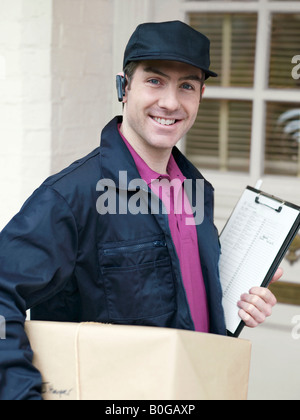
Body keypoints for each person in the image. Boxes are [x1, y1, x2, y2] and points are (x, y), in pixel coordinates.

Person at [0, 20, 280, 400]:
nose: (170, 102)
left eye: (187, 86)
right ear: (124, 86)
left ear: (200, 96)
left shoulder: (195, 190)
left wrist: (239, 299)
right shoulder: (72, 196)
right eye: (155, 81)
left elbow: (184, 300)